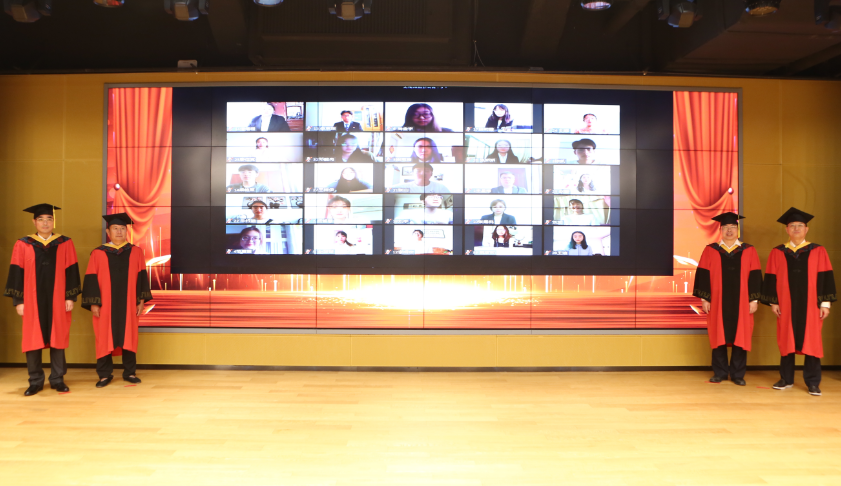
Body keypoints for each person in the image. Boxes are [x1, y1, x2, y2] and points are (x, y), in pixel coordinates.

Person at [4, 204, 81, 396]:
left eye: (49, 219)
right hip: (31, 300)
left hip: (58, 299)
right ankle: (35, 381)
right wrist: (18, 301)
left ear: (54, 222)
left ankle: (57, 379)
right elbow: (16, 272)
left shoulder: (65, 243)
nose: (45, 223)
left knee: (58, 337)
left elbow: (72, 270)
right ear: (34, 222)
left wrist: (70, 296)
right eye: (41, 219)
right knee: (33, 339)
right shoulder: (23, 244)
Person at [761, 207, 836, 396]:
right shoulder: (778, 252)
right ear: (787, 229)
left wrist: (825, 304)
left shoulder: (818, 250)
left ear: (806, 229)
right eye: (792, 225)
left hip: (811, 305)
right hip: (785, 305)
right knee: (786, 339)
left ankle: (813, 382)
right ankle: (786, 379)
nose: (796, 228)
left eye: (800, 225)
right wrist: (774, 302)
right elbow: (771, 278)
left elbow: (826, 277)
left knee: (812, 341)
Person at [81, 213, 152, 388]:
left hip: (129, 303)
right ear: (108, 232)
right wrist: (94, 302)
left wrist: (141, 300)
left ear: (126, 231)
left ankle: (130, 372)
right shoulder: (98, 253)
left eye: (122, 228)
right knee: (103, 336)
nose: (119, 232)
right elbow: (91, 278)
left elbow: (142, 277)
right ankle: (104, 375)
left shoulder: (135, 251)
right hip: (105, 304)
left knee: (130, 336)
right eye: (115, 228)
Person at [692, 212, 762, 385]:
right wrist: (705, 299)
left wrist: (753, 300)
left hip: (742, 302)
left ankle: (738, 374)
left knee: (741, 336)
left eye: (732, 227)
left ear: (737, 230)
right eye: (725, 227)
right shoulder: (711, 250)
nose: (729, 230)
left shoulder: (749, 250)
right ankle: (720, 372)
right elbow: (703, 275)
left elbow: (755, 276)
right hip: (717, 301)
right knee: (718, 335)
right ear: (720, 230)